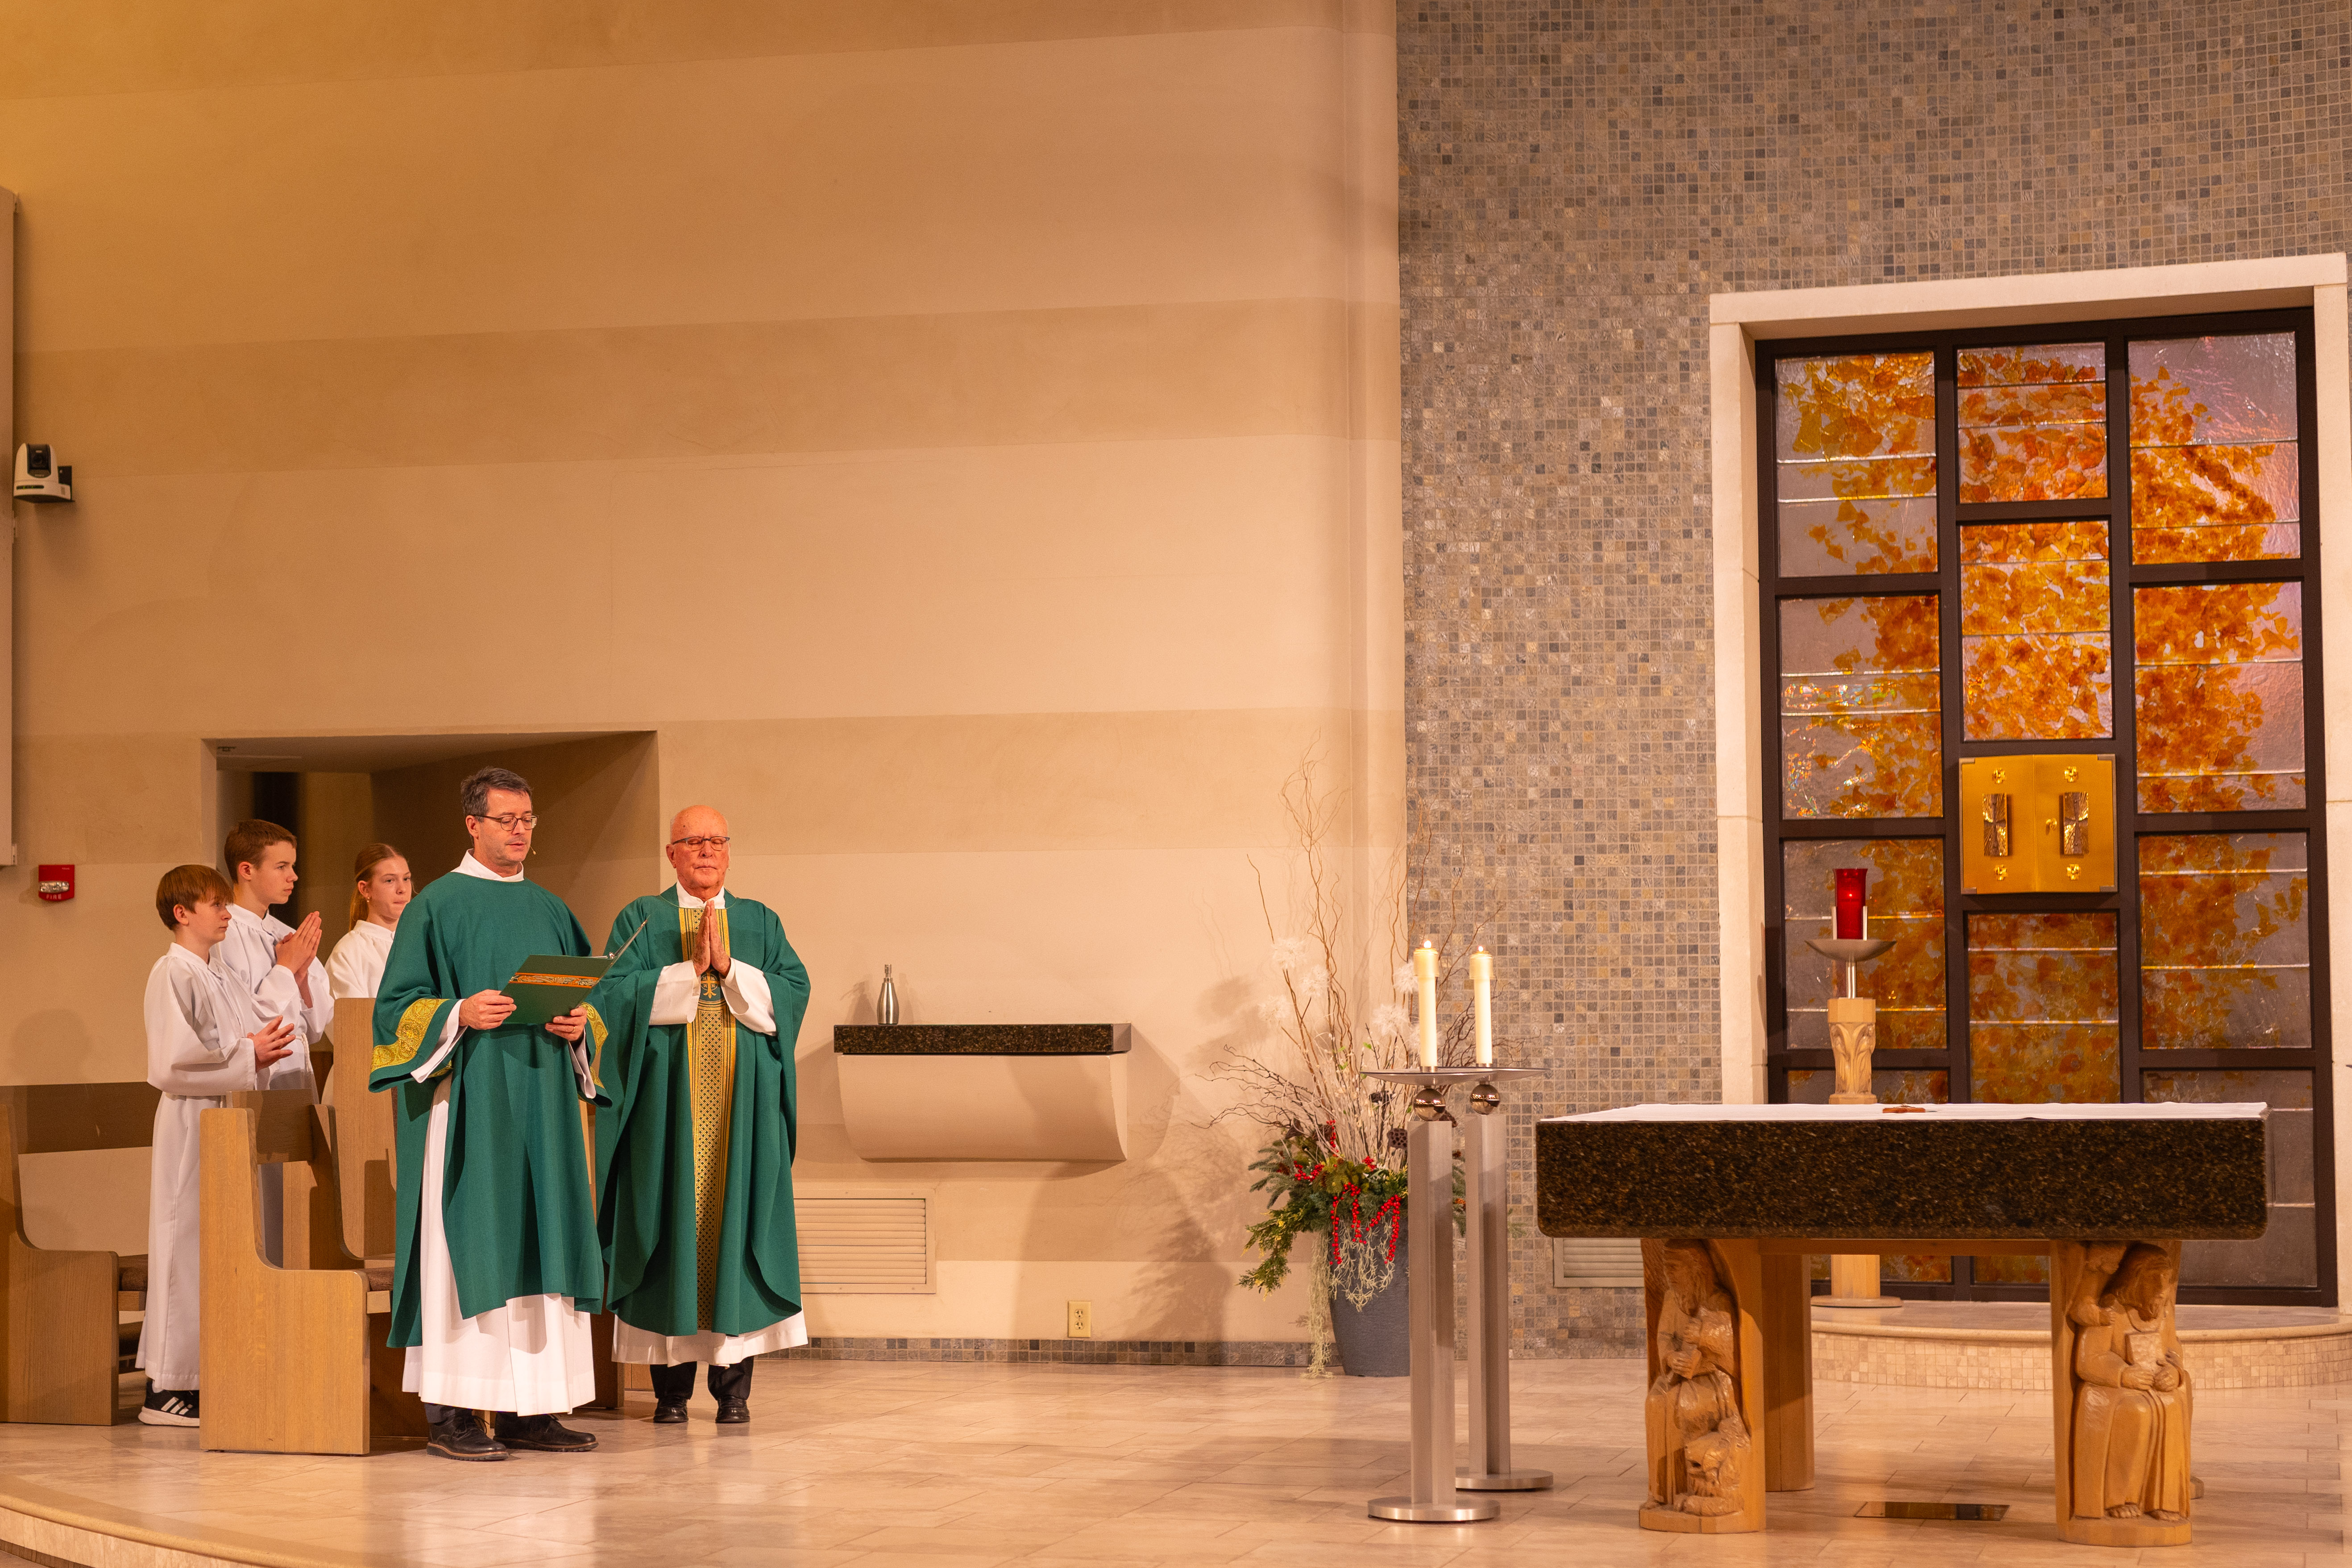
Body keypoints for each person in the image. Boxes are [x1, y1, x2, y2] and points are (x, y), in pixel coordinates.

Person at [369, 767, 608, 1462]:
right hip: (470, 1103)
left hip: (544, 1105)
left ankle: (533, 1409)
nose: (520, 831)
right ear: (473, 825)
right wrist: (458, 1012)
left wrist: (579, 1026)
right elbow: (395, 1011)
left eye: (528, 819)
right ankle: (451, 1413)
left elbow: (592, 1003)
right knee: (468, 1242)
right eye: (507, 819)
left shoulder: (550, 907)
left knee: (543, 1238)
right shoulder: (436, 905)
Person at [596, 805, 811, 1425]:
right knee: (668, 1225)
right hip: (666, 1113)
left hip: (741, 1115)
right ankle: (669, 1394)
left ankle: (733, 1391)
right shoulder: (641, 917)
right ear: (672, 854)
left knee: (735, 1227)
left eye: (717, 840)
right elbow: (611, 993)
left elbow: (793, 994)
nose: (707, 851)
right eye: (693, 841)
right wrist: (686, 972)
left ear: (729, 851)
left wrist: (731, 969)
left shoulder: (759, 921)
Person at [136, 865, 301, 1427]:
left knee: (218, 1247)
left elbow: (248, 1034)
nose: (227, 913)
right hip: (191, 1122)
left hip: (226, 1119)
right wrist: (248, 1053)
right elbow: (169, 1063)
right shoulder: (172, 972)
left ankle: (207, 1374)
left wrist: (259, 1045)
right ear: (182, 913)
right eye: (215, 904)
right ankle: (165, 1386)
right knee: (185, 1244)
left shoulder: (217, 972)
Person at [213, 819, 328, 1100]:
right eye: (282, 867)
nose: (294, 876)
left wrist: (301, 978)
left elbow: (315, 1030)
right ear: (247, 870)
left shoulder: (287, 934)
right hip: (255, 1082)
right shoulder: (223, 935)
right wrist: (285, 969)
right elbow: (245, 1025)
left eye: (293, 866)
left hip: (297, 1075)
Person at [327, 843, 412, 1002]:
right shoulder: (349, 952)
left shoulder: (421, 943)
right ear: (365, 889)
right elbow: (352, 1015)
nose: (403, 889)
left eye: (406, 879)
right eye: (390, 881)